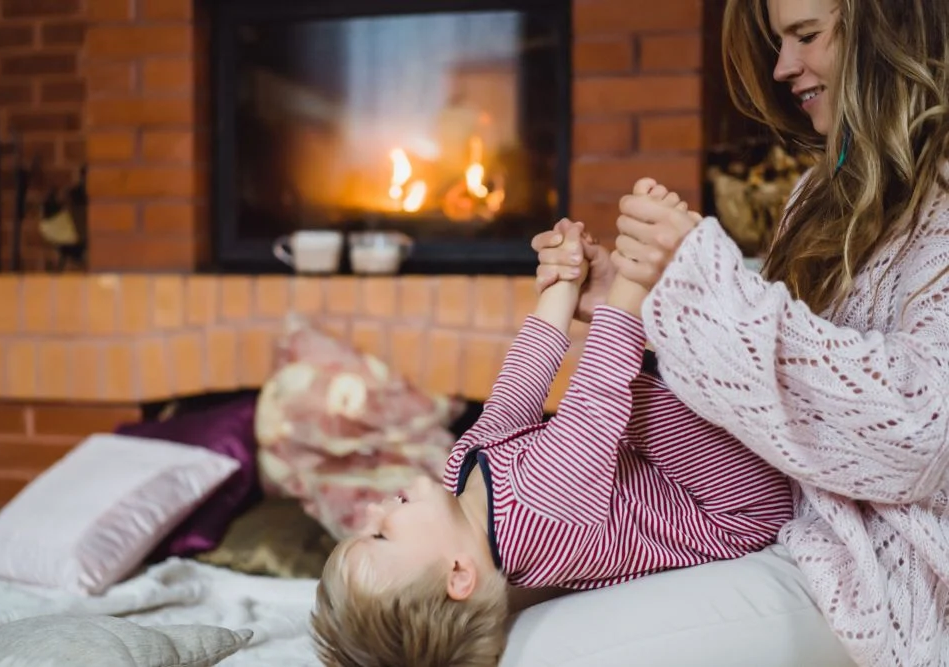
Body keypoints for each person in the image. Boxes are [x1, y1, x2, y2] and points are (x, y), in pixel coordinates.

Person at [532, 1, 949, 666]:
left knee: (547, 651)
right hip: (776, 524)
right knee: (512, 600)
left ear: (891, 27)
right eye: (778, 41)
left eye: (806, 35)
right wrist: (636, 300)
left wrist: (704, 282)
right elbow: (775, 398)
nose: (783, 66)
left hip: (877, 577)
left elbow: (925, 432)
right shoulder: (815, 195)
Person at [309, 186, 794, 667]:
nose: (372, 511)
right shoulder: (538, 507)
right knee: (626, 389)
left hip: (673, 471)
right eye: (380, 536)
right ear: (458, 575)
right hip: (737, 503)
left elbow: (518, 387)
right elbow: (600, 382)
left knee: (625, 391)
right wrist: (639, 266)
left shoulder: (463, 480)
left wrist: (562, 283)